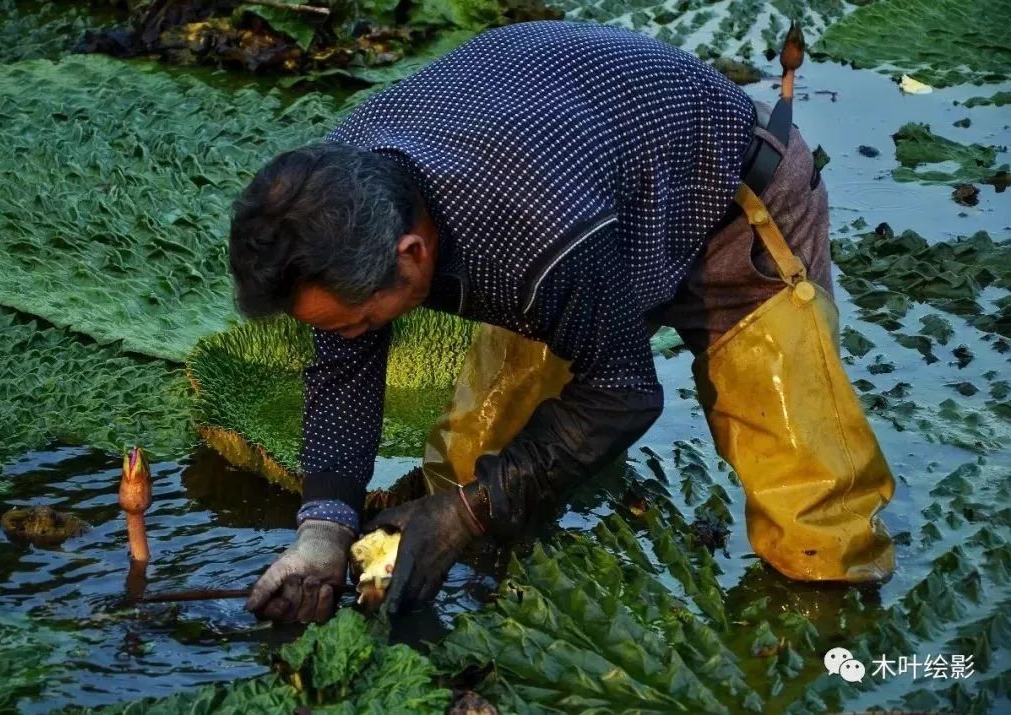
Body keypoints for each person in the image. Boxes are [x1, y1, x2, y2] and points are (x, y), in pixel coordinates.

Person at [229, 20, 895, 624]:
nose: (347, 336)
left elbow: (626, 390)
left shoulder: (531, 236)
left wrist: (468, 513)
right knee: (470, 458)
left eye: (359, 320)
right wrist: (323, 531)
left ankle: (839, 641)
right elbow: (344, 370)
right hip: (589, 198)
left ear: (411, 254)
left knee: (811, 519)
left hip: (725, 202)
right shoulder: (335, 198)